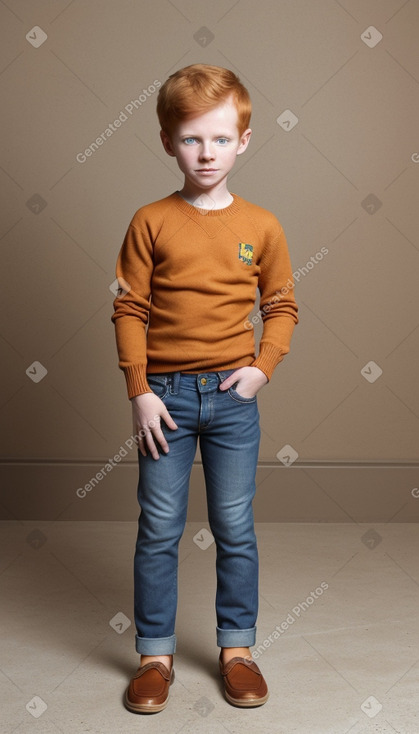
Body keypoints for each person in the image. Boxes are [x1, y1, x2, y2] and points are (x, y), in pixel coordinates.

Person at [111, 63, 298, 714]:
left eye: (219, 139)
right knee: (159, 527)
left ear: (243, 140)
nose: (206, 153)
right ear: (167, 142)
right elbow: (128, 307)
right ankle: (154, 656)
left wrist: (261, 367)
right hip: (162, 398)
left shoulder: (262, 225)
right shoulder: (149, 221)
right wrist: (139, 390)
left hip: (231, 398)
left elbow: (280, 304)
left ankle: (236, 650)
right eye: (191, 139)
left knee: (233, 526)